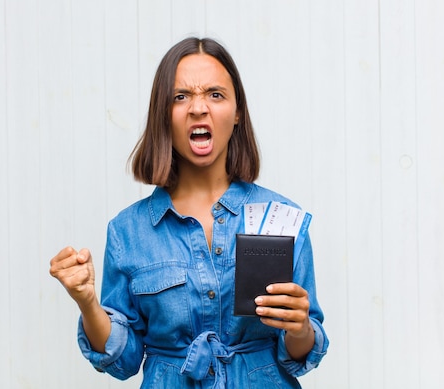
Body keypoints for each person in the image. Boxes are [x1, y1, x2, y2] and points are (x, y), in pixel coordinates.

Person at [49, 37, 328, 388]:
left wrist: (300, 326)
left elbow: (303, 354)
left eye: (215, 94)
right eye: (181, 97)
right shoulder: (128, 231)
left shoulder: (282, 216)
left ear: (237, 111)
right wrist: (88, 302)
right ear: (163, 114)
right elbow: (124, 360)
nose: (198, 108)